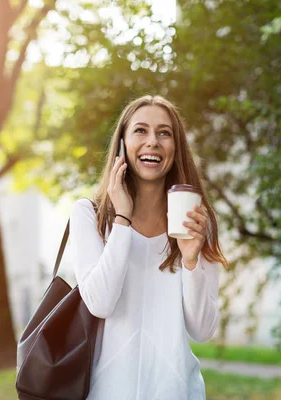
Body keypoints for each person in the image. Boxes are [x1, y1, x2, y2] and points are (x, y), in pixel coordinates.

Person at [70, 95, 228, 399]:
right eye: (140, 131)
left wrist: (192, 260)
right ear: (122, 145)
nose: (152, 141)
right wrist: (122, 219)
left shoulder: (196, 221)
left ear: (175, 148)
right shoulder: (89, 215)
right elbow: (100, 303)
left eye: (164, 133)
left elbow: (203, 329)